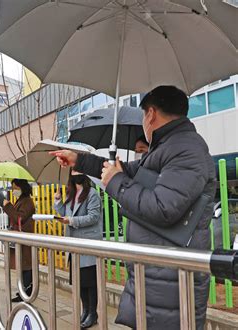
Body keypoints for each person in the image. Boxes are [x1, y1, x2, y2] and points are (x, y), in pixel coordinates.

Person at [50, 85, 215, 329]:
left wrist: (116, 182)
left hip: (170, 279)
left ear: (150, 114)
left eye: (143, 118)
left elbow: (164, 208)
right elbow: (127, 172)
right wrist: (80, 160)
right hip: (156, 273)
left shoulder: (186, 149)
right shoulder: (167, 147)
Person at [54, 171, 102, 328]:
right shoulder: (70, 193)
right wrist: (58, 201)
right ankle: (85, 310)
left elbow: (93, 217)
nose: (75, 173)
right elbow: (64, 214)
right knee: (79, 282)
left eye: (78, 170)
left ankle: (93, 313)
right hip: (73, 244)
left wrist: (72, 220)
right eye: (73, 171)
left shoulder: (92, 193)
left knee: (90, 282)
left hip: (87, 243)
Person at [2, 179, 35, 302]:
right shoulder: (21, 200)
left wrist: (8, 206)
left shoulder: (27, 201)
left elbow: (19, 218)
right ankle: (23, 291)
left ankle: (27, 292)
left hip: (25, 237)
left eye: (15, 188)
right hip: (20, 237)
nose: (13, 190)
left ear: (22, 187)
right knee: (21, 265)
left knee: (26, 265)